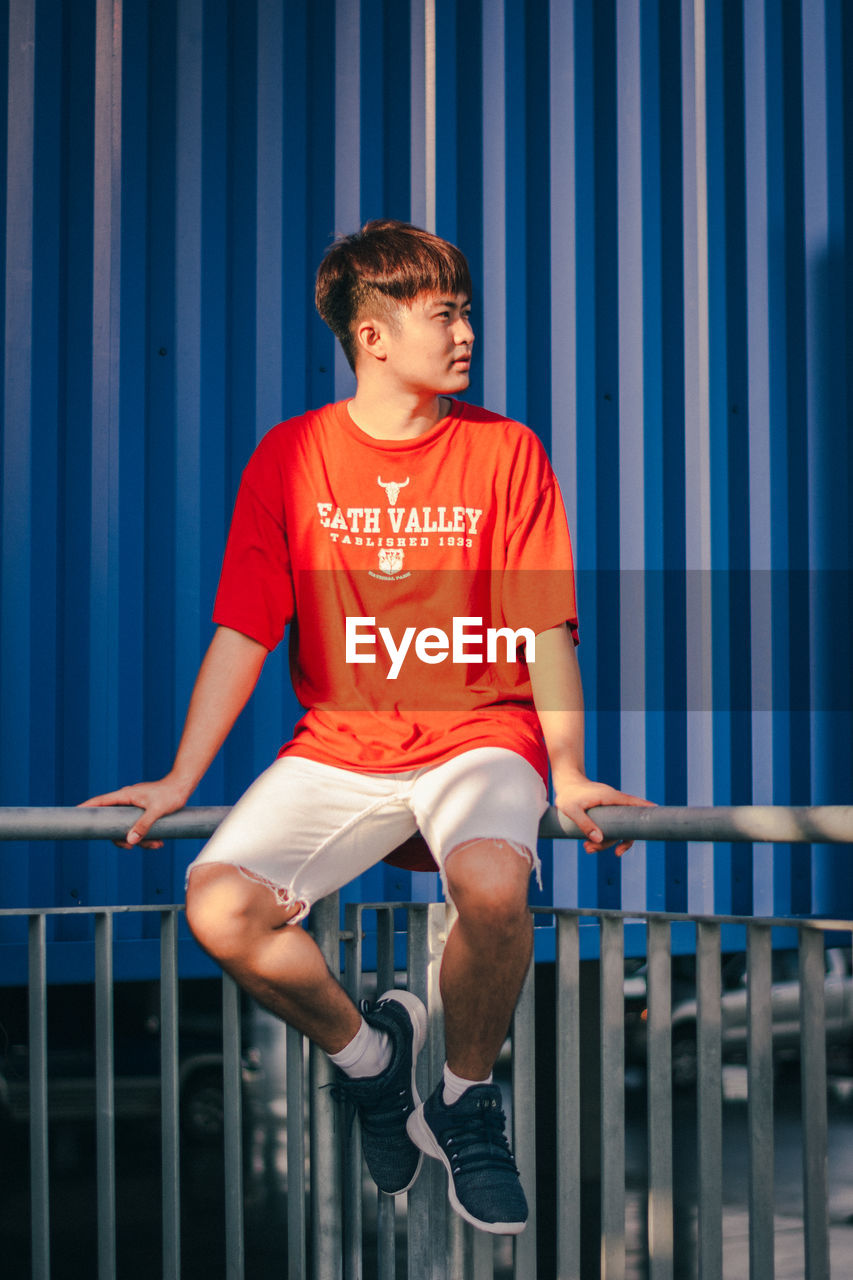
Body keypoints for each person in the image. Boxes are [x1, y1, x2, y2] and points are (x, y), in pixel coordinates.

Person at [82, 219, 652, 1235]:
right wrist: (178, 777)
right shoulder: (292, 456)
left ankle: (469, 1097)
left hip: (479, 728)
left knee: (489, 883)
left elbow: (545, 628)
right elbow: (243, 631)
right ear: (373, 335)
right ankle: (373, 1061)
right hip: (343, 738)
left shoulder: (504, 450)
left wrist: (566, 768)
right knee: (218, 903)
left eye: (466, 309)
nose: (467, 331)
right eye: (445, 313)